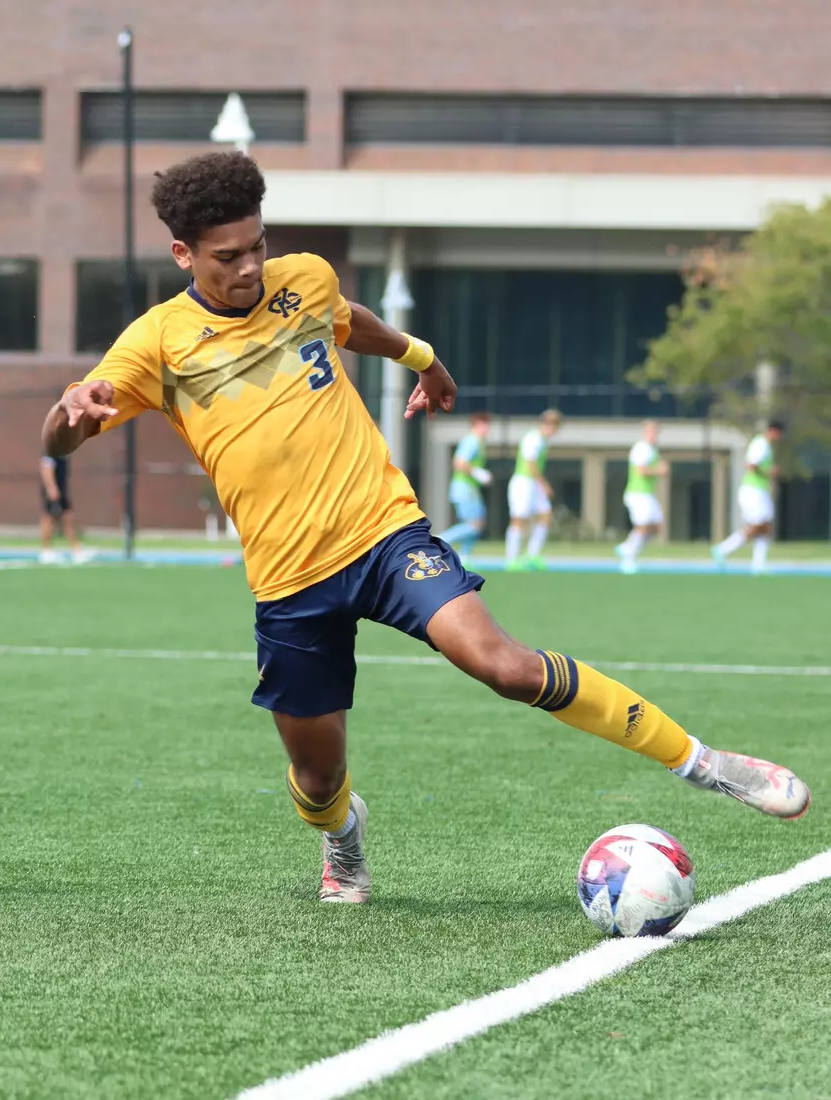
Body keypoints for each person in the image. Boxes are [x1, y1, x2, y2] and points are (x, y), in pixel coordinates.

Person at [41, 151, 808, 905]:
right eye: (228, 256)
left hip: (384, 534)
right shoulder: (157, 343)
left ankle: (704, 763)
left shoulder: (305, 279)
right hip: (290, 582)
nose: (250, 267)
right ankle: (342, 835)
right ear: (184, 254)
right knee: (317, 778)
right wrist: (68, 414)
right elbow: (63, 436)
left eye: (258, 245)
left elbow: (350, 323)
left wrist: (423, 358)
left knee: (505, 666)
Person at [713, 421, 783, 574]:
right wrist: (769, 472)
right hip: (753, 491)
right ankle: (723, 549)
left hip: (760, 491)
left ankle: (758, 564)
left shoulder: (766, 446)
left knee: (765, 526)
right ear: (774, 431)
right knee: (756, 526)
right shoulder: (761, 444)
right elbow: (751, 465)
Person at [505, 409, 561, 571]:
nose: (552, 429)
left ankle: (532, 555)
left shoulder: (542, 440)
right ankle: (511, 559)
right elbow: (531, 464)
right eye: (550, 425)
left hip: (533, 484)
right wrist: (544, 484)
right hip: (524, 482)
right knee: (519, 519)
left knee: (545, 515)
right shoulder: (533, 439)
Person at [436, 411, 492, 559]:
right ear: (476, 424)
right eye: (485, 424)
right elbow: (459, 462)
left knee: (475, 524)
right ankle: (441, 540)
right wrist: (478, 473)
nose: (487, 428)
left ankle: (464, 555)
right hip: (465, 488)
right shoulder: (472, 441)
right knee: (474, 525)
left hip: (469, 488)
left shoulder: (478, 442)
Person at [616, 420, 668, 574]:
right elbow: (641, 470)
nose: (653, 435)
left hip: (648, 494)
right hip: (638, 493)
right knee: (643, 526)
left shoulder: (652, 449)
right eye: (651, 431)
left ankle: (628, 547)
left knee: (656, 527)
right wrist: (659, 470)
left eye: (655, 432)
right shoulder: (642, 448)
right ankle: (628, 559)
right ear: (645, 432)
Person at [38, 453, 90, 564]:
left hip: (62, 492)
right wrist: (51, 488)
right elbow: (46, 469)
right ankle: (46, 551)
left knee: (68, 518)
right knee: (49, 519)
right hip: (53, 492)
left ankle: (77, 550)